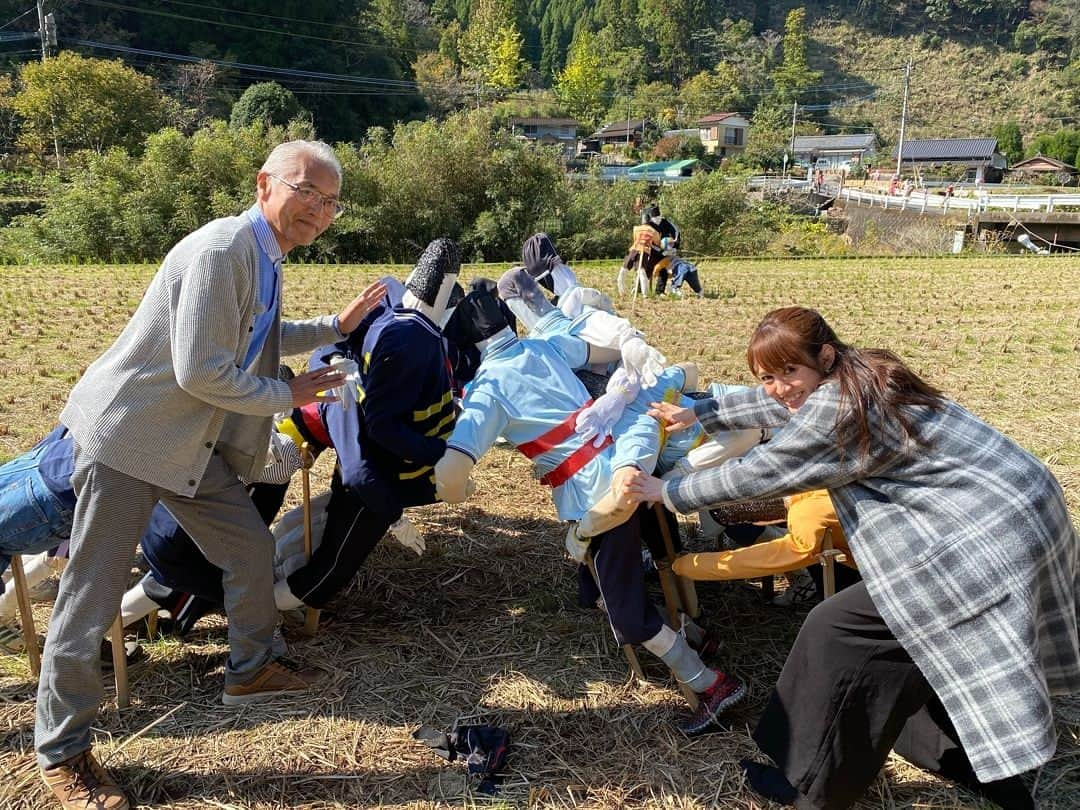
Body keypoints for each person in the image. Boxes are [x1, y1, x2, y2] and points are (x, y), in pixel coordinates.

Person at [35, 140, 388, 810]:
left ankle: (250, 670)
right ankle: (63, 755)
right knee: (89, 598)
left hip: (187, 446)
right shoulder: (223, 250)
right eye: (307, 192)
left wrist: (332, 327)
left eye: (332, 203)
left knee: (248, 546)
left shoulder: (265, 257)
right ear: (265, 185)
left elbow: (258, 336)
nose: (319, 210)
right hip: (128, 441)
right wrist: (291, 396)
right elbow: (201, 368)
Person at [625, 306, 1078, 809]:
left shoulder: (837, 410)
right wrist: (699, 413)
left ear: (824, 355)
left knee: (836, 634)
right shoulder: (863, 374)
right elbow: (782, 403)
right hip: (1020, 509)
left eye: (788, 371)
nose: (779, 386)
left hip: (981, 539)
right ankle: (981, 768)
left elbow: (765, 470)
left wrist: (668, 490)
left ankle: (810, 789)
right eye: (767, 376)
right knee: (915, 653)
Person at [435, 287, 747, 735]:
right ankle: (693, 632)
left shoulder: (488, 388)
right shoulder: (541, 346)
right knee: (609, 577)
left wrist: (455, 490)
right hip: (626, 454)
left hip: (593, 493)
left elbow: (453, 468)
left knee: (624, 608)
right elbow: (610, 345)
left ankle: (707, 681)